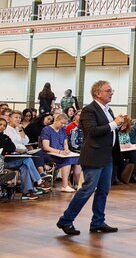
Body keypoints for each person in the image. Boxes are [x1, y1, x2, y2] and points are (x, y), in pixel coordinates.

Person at [57, 80, 125, 236]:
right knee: (87, 189)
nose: (111, 93)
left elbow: (109, 131)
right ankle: (66, 220)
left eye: (111, 90)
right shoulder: (89, 110)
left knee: (103, 190)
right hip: (94, 155)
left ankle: (98, 222)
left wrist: (118, 125)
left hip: (107, 155)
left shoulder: (108, 110)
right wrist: (115, 124)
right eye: (108, 91)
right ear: (97, 93)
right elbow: (92, 131)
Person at [0, 117, 45, 199]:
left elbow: (12, 147)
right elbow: (7, 148)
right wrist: (8, 147)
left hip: (10, 158)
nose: (2, 127)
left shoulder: (5, 136)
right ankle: (38, 180)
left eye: (4, 125)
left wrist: (9, 147)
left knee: (24, 167)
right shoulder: (5, 137)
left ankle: (26, 192)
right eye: (0, 125)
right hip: (3, 161)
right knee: (27, 160)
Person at [42, 112, 81, 192]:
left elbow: (65, 143)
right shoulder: (46, 130)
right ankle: (64, 185)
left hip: (61, 153)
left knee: (78, 159)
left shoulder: (62, 129)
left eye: (64, 123)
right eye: (61, 123)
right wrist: (59, 152)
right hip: (50, 153)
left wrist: (66, 149)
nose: (63, 125)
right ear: (56, 120)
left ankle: (78, 184)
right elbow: (46, 147)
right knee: (67, 161)